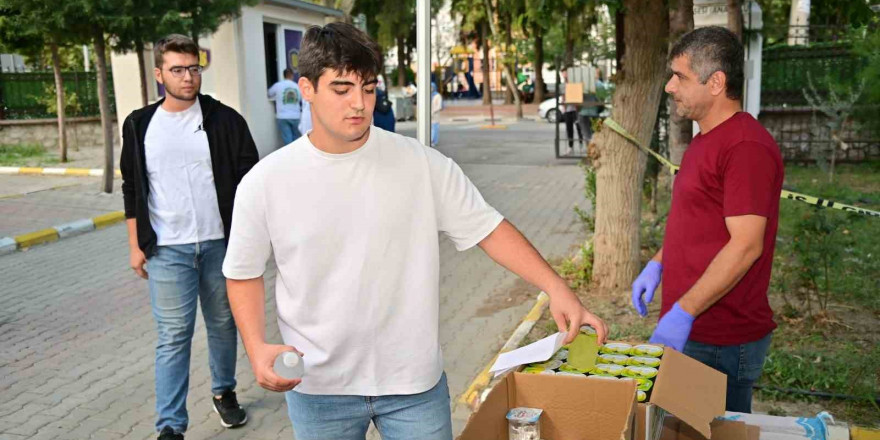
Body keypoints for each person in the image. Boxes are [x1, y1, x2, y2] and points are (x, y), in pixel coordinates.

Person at [222, 22, 608, 440]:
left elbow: (489, 228)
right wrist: (256, 346)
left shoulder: (420, 163)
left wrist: (557, 288)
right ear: (307, 88)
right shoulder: (267, 181)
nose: (359, 103)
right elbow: (242, 271)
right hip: (318, 387)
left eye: (368, 88)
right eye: (342, 88)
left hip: (412, 385)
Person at [630, 26, 783, 413]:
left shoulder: (745, 146)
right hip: (698, 327)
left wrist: (684, 311)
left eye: (679, 76)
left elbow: (747, 244)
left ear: (716, 82)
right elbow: (698, 222)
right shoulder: (705, 139)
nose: (669, 87)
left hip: (720, 339)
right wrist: (658, 263)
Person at [120, 34, 259, 440]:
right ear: (159, 73)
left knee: (222, 324)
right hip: (166, 250)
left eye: (194, 68)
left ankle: (224, 392)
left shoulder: (225, 119)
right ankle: (170, 426)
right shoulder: (140, 124)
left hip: (220, 244)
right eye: (178, 70)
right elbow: (132, 188)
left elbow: (250, 182)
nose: (187, 77)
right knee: (173, 336)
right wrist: (134, 245)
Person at [268, 68, 303, 147]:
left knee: (288, 140)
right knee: (296, 139)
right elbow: (301, 99)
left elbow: (269, 93)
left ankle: (290, 157)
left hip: (283, 116)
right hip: (295, 116)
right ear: (292, 75)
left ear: (283, 75)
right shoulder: (297, 86)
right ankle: (296, 155)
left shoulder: (278, 85)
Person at [431, 81, 443, 146]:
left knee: (435, 128)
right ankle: (430, 140)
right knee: (430, 128)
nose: (431, 89)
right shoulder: (429, 95)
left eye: (432, 87)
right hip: (430, 115)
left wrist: (433, 111)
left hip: (435, 114)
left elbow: (439, 106)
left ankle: (434, 141)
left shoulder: (438, 96)